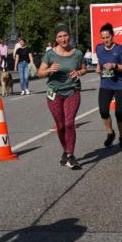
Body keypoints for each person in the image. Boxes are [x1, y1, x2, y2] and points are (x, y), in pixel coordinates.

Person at [37, 25, 87, 170]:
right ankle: (65, 151)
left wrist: (79, 72)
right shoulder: (50, 54)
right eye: (60, 36)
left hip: (72, 90)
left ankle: (70, 155)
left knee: (69, 123)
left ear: (69, 36)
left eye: (65, 35)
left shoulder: (77, 53)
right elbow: (39, 73)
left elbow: (84, 68)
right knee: (60, 125)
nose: (63, 39)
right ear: (56, 38)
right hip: (54, 93)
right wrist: (49, 70)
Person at [95, 23, 122, 148]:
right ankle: (110, 133)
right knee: (103, 111)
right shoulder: (99, 48)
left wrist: (114, 66)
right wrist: (98, 68)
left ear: (112, 36)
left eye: (108, 37)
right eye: (103, 38)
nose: (106, 40)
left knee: (119, 113)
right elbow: (100, 62)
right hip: (105, 84)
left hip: (120, 85)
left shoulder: (120, 49)